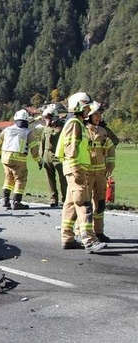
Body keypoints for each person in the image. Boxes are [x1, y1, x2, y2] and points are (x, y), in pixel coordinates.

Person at [55, 92, 106, 253]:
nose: (88, 111)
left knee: (70, 204)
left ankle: (67, 238)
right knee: (84, 203)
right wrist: (77, 169)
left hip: (75, 168)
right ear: (79, 106)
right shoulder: (75, 123)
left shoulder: (77, 123)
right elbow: (70, 148)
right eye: (86, 107)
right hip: (76, 169)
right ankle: (89, 241)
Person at [0, 109, 40, 210]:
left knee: (8, 179)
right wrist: (39, 161)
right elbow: (34, 149)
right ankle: (17, 202)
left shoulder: (7, 130)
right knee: (20, 179)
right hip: (19, 160)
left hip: (5, 158)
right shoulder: (28, 133)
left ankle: (5, 201)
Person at [84, 102, 116, 243]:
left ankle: (99, 232)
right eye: (95, 114)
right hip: (87, 173)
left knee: (100, 203)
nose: (98, 117)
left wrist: (110, 164)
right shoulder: (84, 132)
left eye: (99, 114)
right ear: (89, 116)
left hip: (101, 174)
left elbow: (110, 149)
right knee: (85, 204)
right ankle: (83, 232)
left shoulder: (102, 132)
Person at [39, 104, 67, 207]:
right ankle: (53, 199)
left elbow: (60, 139)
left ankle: (65, 199)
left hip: (59, 156)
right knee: (49, 179)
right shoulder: (46, 128)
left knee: (63, 179)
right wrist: (40, 157)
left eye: (47, 118)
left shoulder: (62, 128)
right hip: (47, 155)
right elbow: (42, 143)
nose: (45, 120)